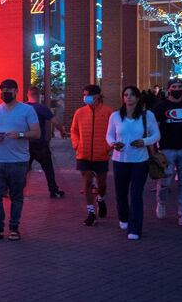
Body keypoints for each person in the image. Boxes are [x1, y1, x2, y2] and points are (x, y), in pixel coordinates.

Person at [0, 79, 40, 241]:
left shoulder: (27, 110)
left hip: (18, 162)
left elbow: (36, 133)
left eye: (7, 90)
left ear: (15, 91)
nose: (4, 93)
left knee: (16, 196)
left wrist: (20, 135)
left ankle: (14, 228)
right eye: (2, 90)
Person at [106, 86, 160, 240]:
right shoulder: (116, 116)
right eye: (125, 95)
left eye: (132, 95)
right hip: (120, 160)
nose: (128, 98)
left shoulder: (147, 115)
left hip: (139, 161)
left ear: (137, 98)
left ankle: (134, 228)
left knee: (136, 194)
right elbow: (109, 135)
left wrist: (144, 141)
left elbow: (156, 134)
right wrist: (114, 143)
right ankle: (123, 217)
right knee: (121, 193)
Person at [153, 79, 182, 228]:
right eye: (174, 87)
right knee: (165, 182)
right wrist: (155, 148)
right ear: (169, 89)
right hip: (167, 149)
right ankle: (161, 202)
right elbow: (155, 129)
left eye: (180, 87)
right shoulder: (161, 107)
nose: (177, 89)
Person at [70, 84, 113, 226]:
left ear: (97, 96)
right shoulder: (80, 112)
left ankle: (101, 199)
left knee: (102, 183)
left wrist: (108, 147)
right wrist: (76, 144)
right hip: (83, 153)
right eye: (84, 95)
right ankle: (91, 212)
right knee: (87, 182)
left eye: (87, 95)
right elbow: (74, 130)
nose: (85, 98)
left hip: (101, 154)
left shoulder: (108, 112)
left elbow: (113, 132)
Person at [24, 87, 64, 198]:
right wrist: (62, 131)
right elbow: (55, 122)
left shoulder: (22, 108)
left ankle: (14, 190)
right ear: (38, 96)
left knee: (23, 169)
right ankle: (53, 190)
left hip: (25, 143)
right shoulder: (41, 108)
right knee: (48, 168)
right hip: (39, 143)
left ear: (28, 94)